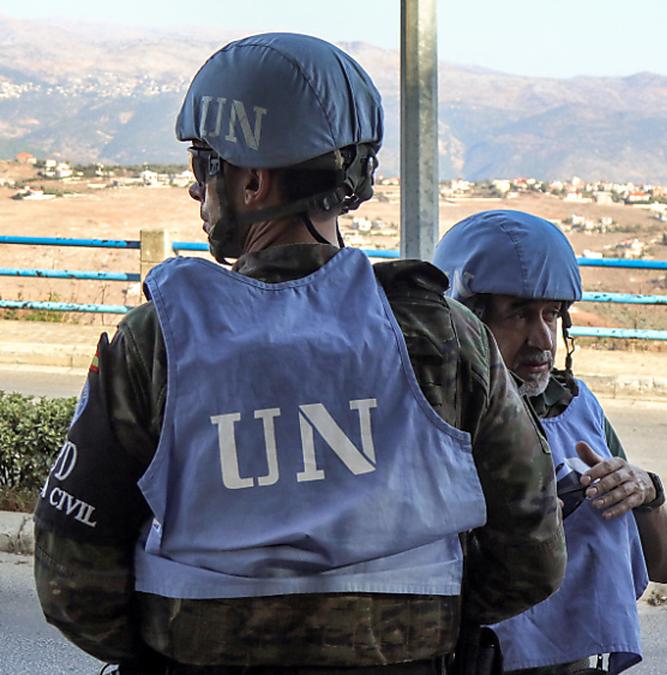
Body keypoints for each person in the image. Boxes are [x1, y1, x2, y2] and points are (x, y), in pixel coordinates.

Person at [34, 34, 565, 674]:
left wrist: (167, 649)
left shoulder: (158, 339)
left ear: (253, 181)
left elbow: (72, 580)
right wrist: (413, 632)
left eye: (205, 163)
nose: (197, 188)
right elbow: (532, 553)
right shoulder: (446, 334)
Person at [433, 210, 667, 674]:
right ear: (465, 320)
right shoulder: (435, 417)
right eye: (520, 314)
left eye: (552, 313)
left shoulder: (574, 409)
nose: (542, 338)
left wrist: (646, 491)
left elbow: (663, 565)